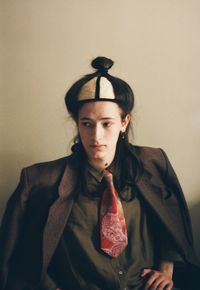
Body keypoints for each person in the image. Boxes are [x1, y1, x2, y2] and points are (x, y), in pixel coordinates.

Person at [0, 56, 199, 290]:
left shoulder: (153, 163)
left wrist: (166, 270)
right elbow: (23, 252)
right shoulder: (39, 181)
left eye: (107, 123)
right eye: (87, 123)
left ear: (124, 122)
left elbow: (171, 222)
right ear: (76, 123)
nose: (96, 136)